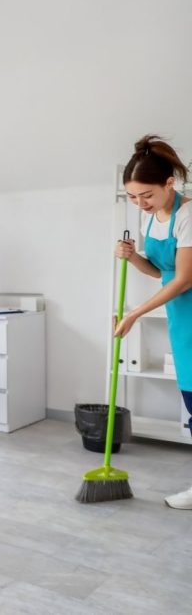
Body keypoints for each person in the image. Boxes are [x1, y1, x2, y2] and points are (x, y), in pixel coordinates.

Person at [113, 135, 192, 509]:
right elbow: (158, 270)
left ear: (168, 184)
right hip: (181, 316)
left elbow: (183, 279)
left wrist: (134, 313)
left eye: (146, 195)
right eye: (132, 197)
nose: (140, 204)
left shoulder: (189, 214)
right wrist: (131, 257)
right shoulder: (156, 219)